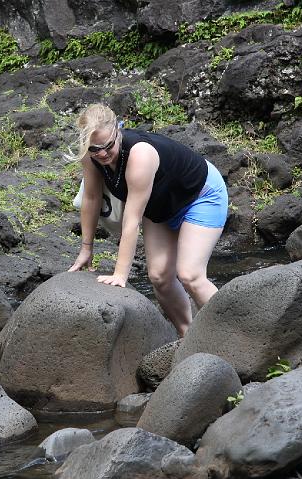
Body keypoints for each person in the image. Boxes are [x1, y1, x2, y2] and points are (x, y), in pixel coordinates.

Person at [68, 104, 228, 337]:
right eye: (95, 148)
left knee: (190, 275)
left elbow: (131, 221)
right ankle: (189, 338)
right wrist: (86, 248)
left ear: (118, 130)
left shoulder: (140, 154)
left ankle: (231, 336)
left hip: (200, 196)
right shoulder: (90, 156)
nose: (102, 153)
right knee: (159, 277)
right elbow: (91, 199)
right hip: (161, 206)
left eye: (108, 146)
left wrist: (120, 275)